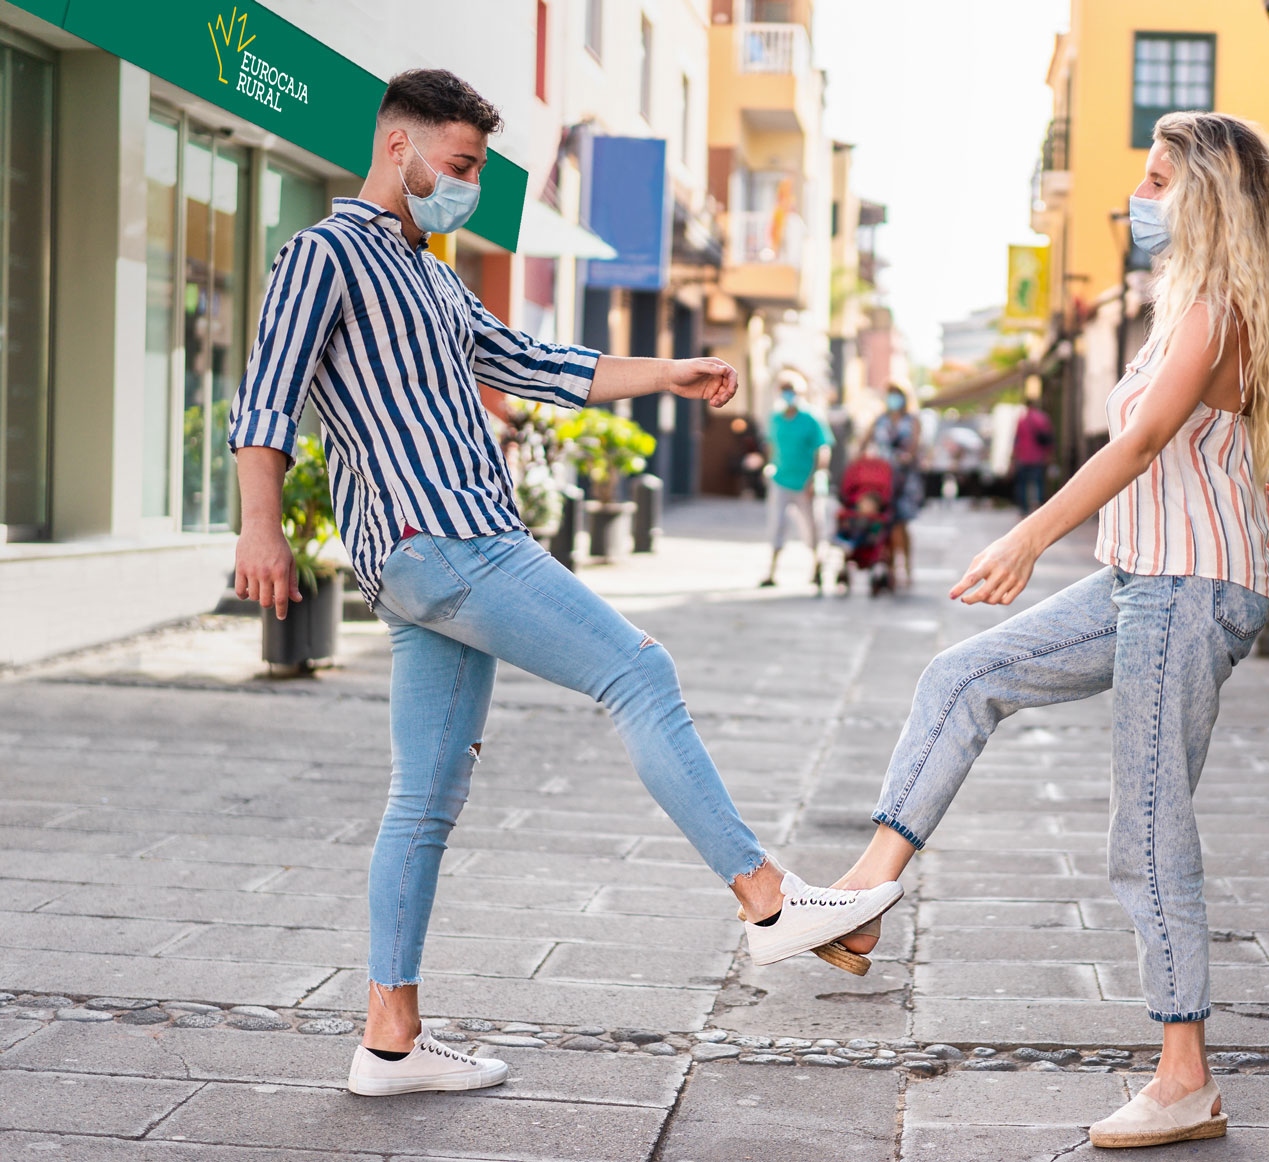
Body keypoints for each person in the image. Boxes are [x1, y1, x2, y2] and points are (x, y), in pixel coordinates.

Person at [227, 69, 900, 1099]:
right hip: (447, 537)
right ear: (397, 147)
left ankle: (389, 1040)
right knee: (639, 671)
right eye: (457, 166)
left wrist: (663, 373)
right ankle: (769, 901)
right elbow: (267, 395)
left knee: (424, 798)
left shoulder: (434, 275)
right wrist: (260, 530)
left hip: (425, 562)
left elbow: (535, 363)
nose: (465, 188)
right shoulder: (322, 253)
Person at [827, 112, 1269, 1149]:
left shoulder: (1221, 309)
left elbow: (1144, 440)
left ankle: (1184, 1077)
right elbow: (1244, 464)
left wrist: (1026, 538)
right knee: (964, 677)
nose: (1140, 203)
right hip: (1145, 577)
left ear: (1206, 197)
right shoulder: (1184, 305)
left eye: (1156, 183)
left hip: (1187, 589)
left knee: (1146, 824)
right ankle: (864, 897)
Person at [761, 373, 833, 588]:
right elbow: (771, 445)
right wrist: (769, 466)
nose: (788, 395)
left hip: (805, 482)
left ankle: (817, 568)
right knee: (777, 525)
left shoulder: (812, 418)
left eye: (792, 390)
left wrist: (815, 478)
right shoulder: (775, 418)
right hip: (781, 479)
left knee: (812, 527)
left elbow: (823, 449)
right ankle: (771, 572)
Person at [860, 383, 923, 588]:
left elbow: (914, 446)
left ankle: (905, 567)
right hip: (881, 478)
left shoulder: (911, 420)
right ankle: (890, 567)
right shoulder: (879, 419)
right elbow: (864, 441)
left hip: (904, 479)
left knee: (899, 523)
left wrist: (906, 457)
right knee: (884, 523)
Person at [1011, 393, 1054, 514]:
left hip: (1024, 457)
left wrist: (1014, 458)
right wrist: (1049, 454)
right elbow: (1049, 439)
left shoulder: (1022, 420)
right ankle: (1040, 508)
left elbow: (1016, 440)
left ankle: (1024, 509)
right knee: (1039, 483)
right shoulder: (1043, 418)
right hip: (1038, 456)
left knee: (1023, 485)